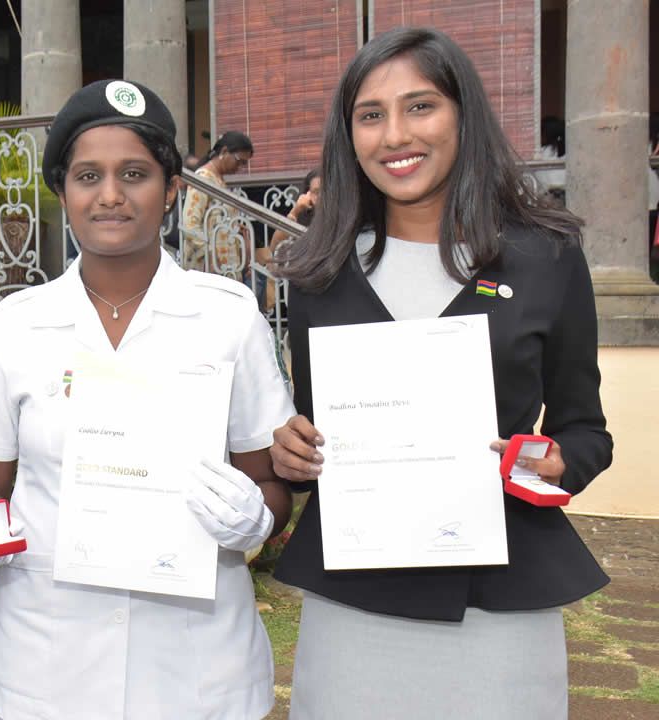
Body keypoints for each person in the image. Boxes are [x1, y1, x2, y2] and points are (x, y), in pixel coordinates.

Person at [269, 27, 611, 720]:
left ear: (463, 114)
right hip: (355, 602)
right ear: (349, 134)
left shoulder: (546, 257)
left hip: (498, 606)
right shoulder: (316, 274)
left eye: (419, 106)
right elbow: (315, 432)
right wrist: (291, 453)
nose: (395, 134)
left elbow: (585, 431)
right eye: (370, 115)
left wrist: (550, 462)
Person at [0, 79, 295, 720]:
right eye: (87, 176)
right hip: (47, 657)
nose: (110, 195)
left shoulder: (229, 317)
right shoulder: (18, 324)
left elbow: (268, 480)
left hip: (193, 661)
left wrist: (259, 518)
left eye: (134, 173)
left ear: (171, 190)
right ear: (62, 192)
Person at [180, 131, 254, 274]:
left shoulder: (218, 180)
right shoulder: (203, 179)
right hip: (209, 271)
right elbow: (190, 224)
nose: (240, 167)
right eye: (239, 161)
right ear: (224, 151)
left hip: (224, 269)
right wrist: (209, 255)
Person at [261, 168, 321, 313]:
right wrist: (296, 211)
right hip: (306, 289)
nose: (323, 197)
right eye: (317, 192)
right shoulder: (302, 217)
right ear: (307, 195)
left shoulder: (345, 214)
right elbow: (275, 247)